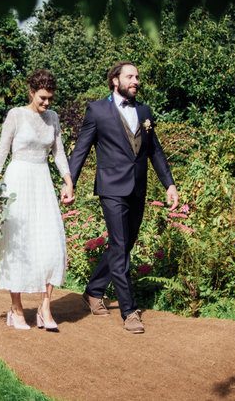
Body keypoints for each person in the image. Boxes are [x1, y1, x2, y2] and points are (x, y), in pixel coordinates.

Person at [67, 61, 179, 334]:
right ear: (115, 81)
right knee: (119, 245)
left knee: (124, 245)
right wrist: (69, 182)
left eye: (138, 77)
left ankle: (94, 291)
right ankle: (129, 311)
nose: (136, 81)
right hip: (111, 188)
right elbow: (81, 149)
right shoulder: (97, 110)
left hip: (138, 188)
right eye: (130, 76)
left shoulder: (144, 111)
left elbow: (155, 151)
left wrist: (170, 184)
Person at [0, 69, 76, 331]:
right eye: (42, 97)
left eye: (50, 98)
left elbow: (58, 152)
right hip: (17, 182)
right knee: (18, 244)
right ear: (31, 92)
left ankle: (45, 307)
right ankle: (16, 310)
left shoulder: (53, 118)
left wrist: (68, 179)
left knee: (50, 243)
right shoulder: (16, 115)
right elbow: (3, 149)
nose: (46, 103)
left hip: (42, 183)